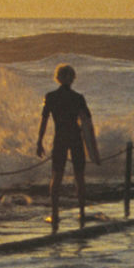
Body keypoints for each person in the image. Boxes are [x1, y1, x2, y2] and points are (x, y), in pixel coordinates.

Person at [36, 63, 98, 229]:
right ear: (73, 78)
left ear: (58, 78)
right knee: (79, 176)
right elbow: (87, 122)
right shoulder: (78, 98)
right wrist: (93, 149)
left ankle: (55, 215)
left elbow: (44, 121)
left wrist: (39, 141)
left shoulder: (50, 97)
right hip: (75, 139)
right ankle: (82, 212)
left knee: (56, 176)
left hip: (60, 138)